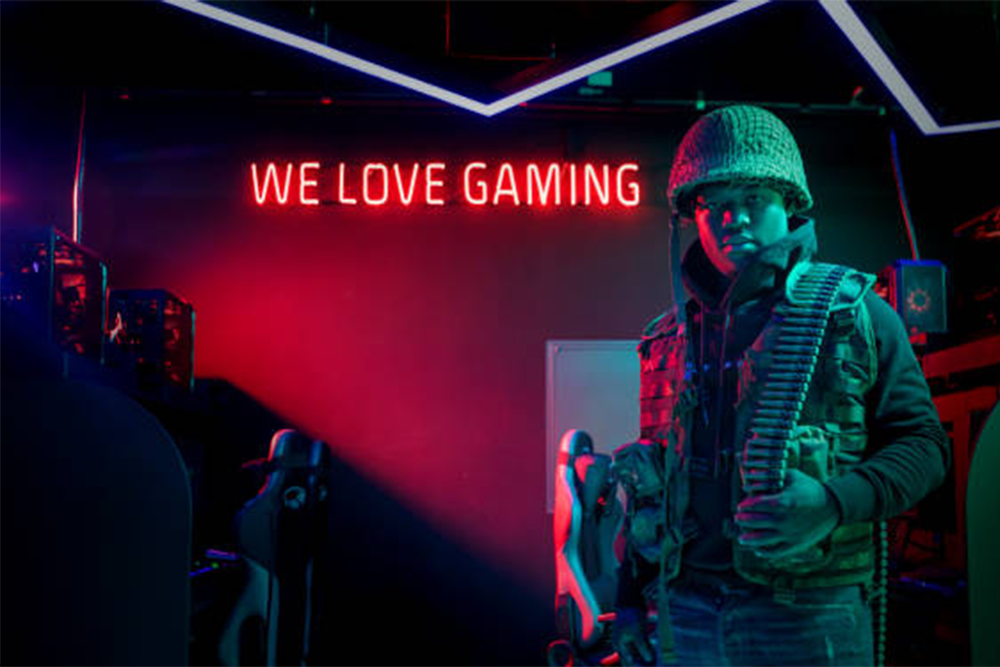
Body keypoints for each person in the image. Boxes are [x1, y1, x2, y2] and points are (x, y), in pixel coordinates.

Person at [610, 105, 950, 666]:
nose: (733, 218)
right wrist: (628, 600)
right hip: (681, 609)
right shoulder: (666, 339)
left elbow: (925, 447)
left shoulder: (856, 313)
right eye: (712, 202)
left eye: (753, 197)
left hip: (807, 612)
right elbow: (655, 487)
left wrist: (834, 503)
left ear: (788, 203)